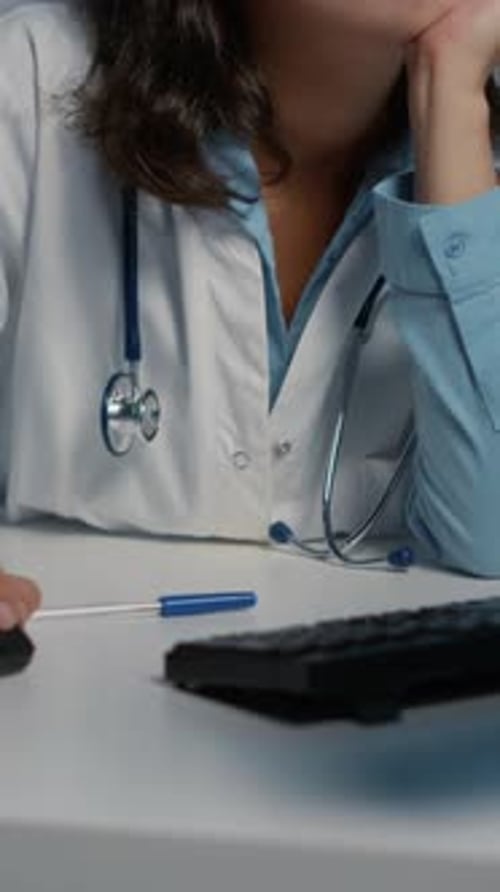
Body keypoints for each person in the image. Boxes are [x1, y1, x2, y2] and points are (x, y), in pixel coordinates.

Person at [1, 0, 500, 629]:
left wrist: (452, 93)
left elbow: (490, 537)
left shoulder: (478, 135)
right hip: (62, 689)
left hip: (369, 715)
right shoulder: (28, 72)